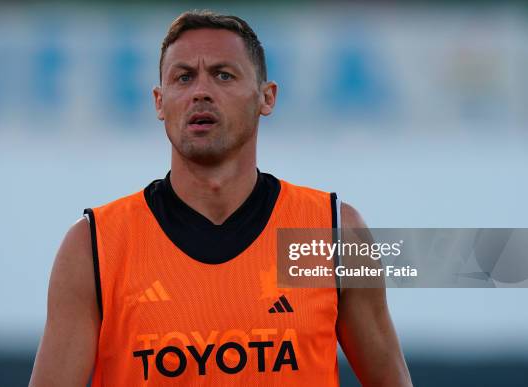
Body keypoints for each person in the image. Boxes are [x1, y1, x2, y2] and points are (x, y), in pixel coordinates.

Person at [29, 10, 412, 386]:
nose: (200, 92)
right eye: (183, 78)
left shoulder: (333, 233)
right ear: (160, 102)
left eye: (223, 75)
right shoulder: (95, 246)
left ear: (267, 97)